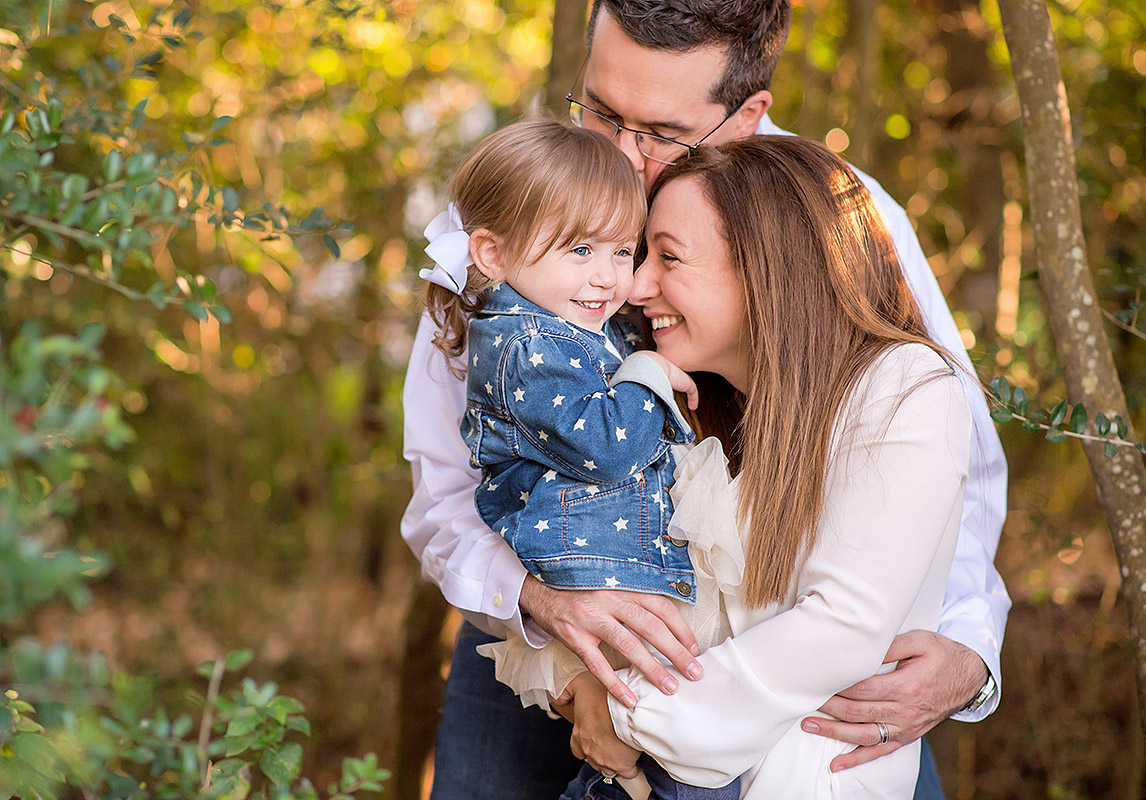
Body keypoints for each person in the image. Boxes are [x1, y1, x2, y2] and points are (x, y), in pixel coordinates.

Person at [401, 2, 1009, 797]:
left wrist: (969, 649)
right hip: (537, 636)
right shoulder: (512, 212)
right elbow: (446, 488)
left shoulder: (841, 217)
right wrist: (544, 607)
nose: (621, 154)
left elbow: (941, 454)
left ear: (748, 113)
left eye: (657, 133)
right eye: (601, 111)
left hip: (780, 655)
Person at [556, 134, 973, 800]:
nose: (635, 286)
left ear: (768, 268)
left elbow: (841, 624)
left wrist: (629, 714)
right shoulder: (699, 407)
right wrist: (585, 692)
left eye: (669, 258)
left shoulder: (905, 388)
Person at [418, 118, 741, 800]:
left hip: (621, 563)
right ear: (492, 254)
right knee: (666, 747)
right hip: (586, 567)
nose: (608, 276)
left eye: (623, 252)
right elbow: (603, 448)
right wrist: (647, 377)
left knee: (670, 743)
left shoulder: (571, 319)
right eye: (582, 250)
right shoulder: (525, 344)